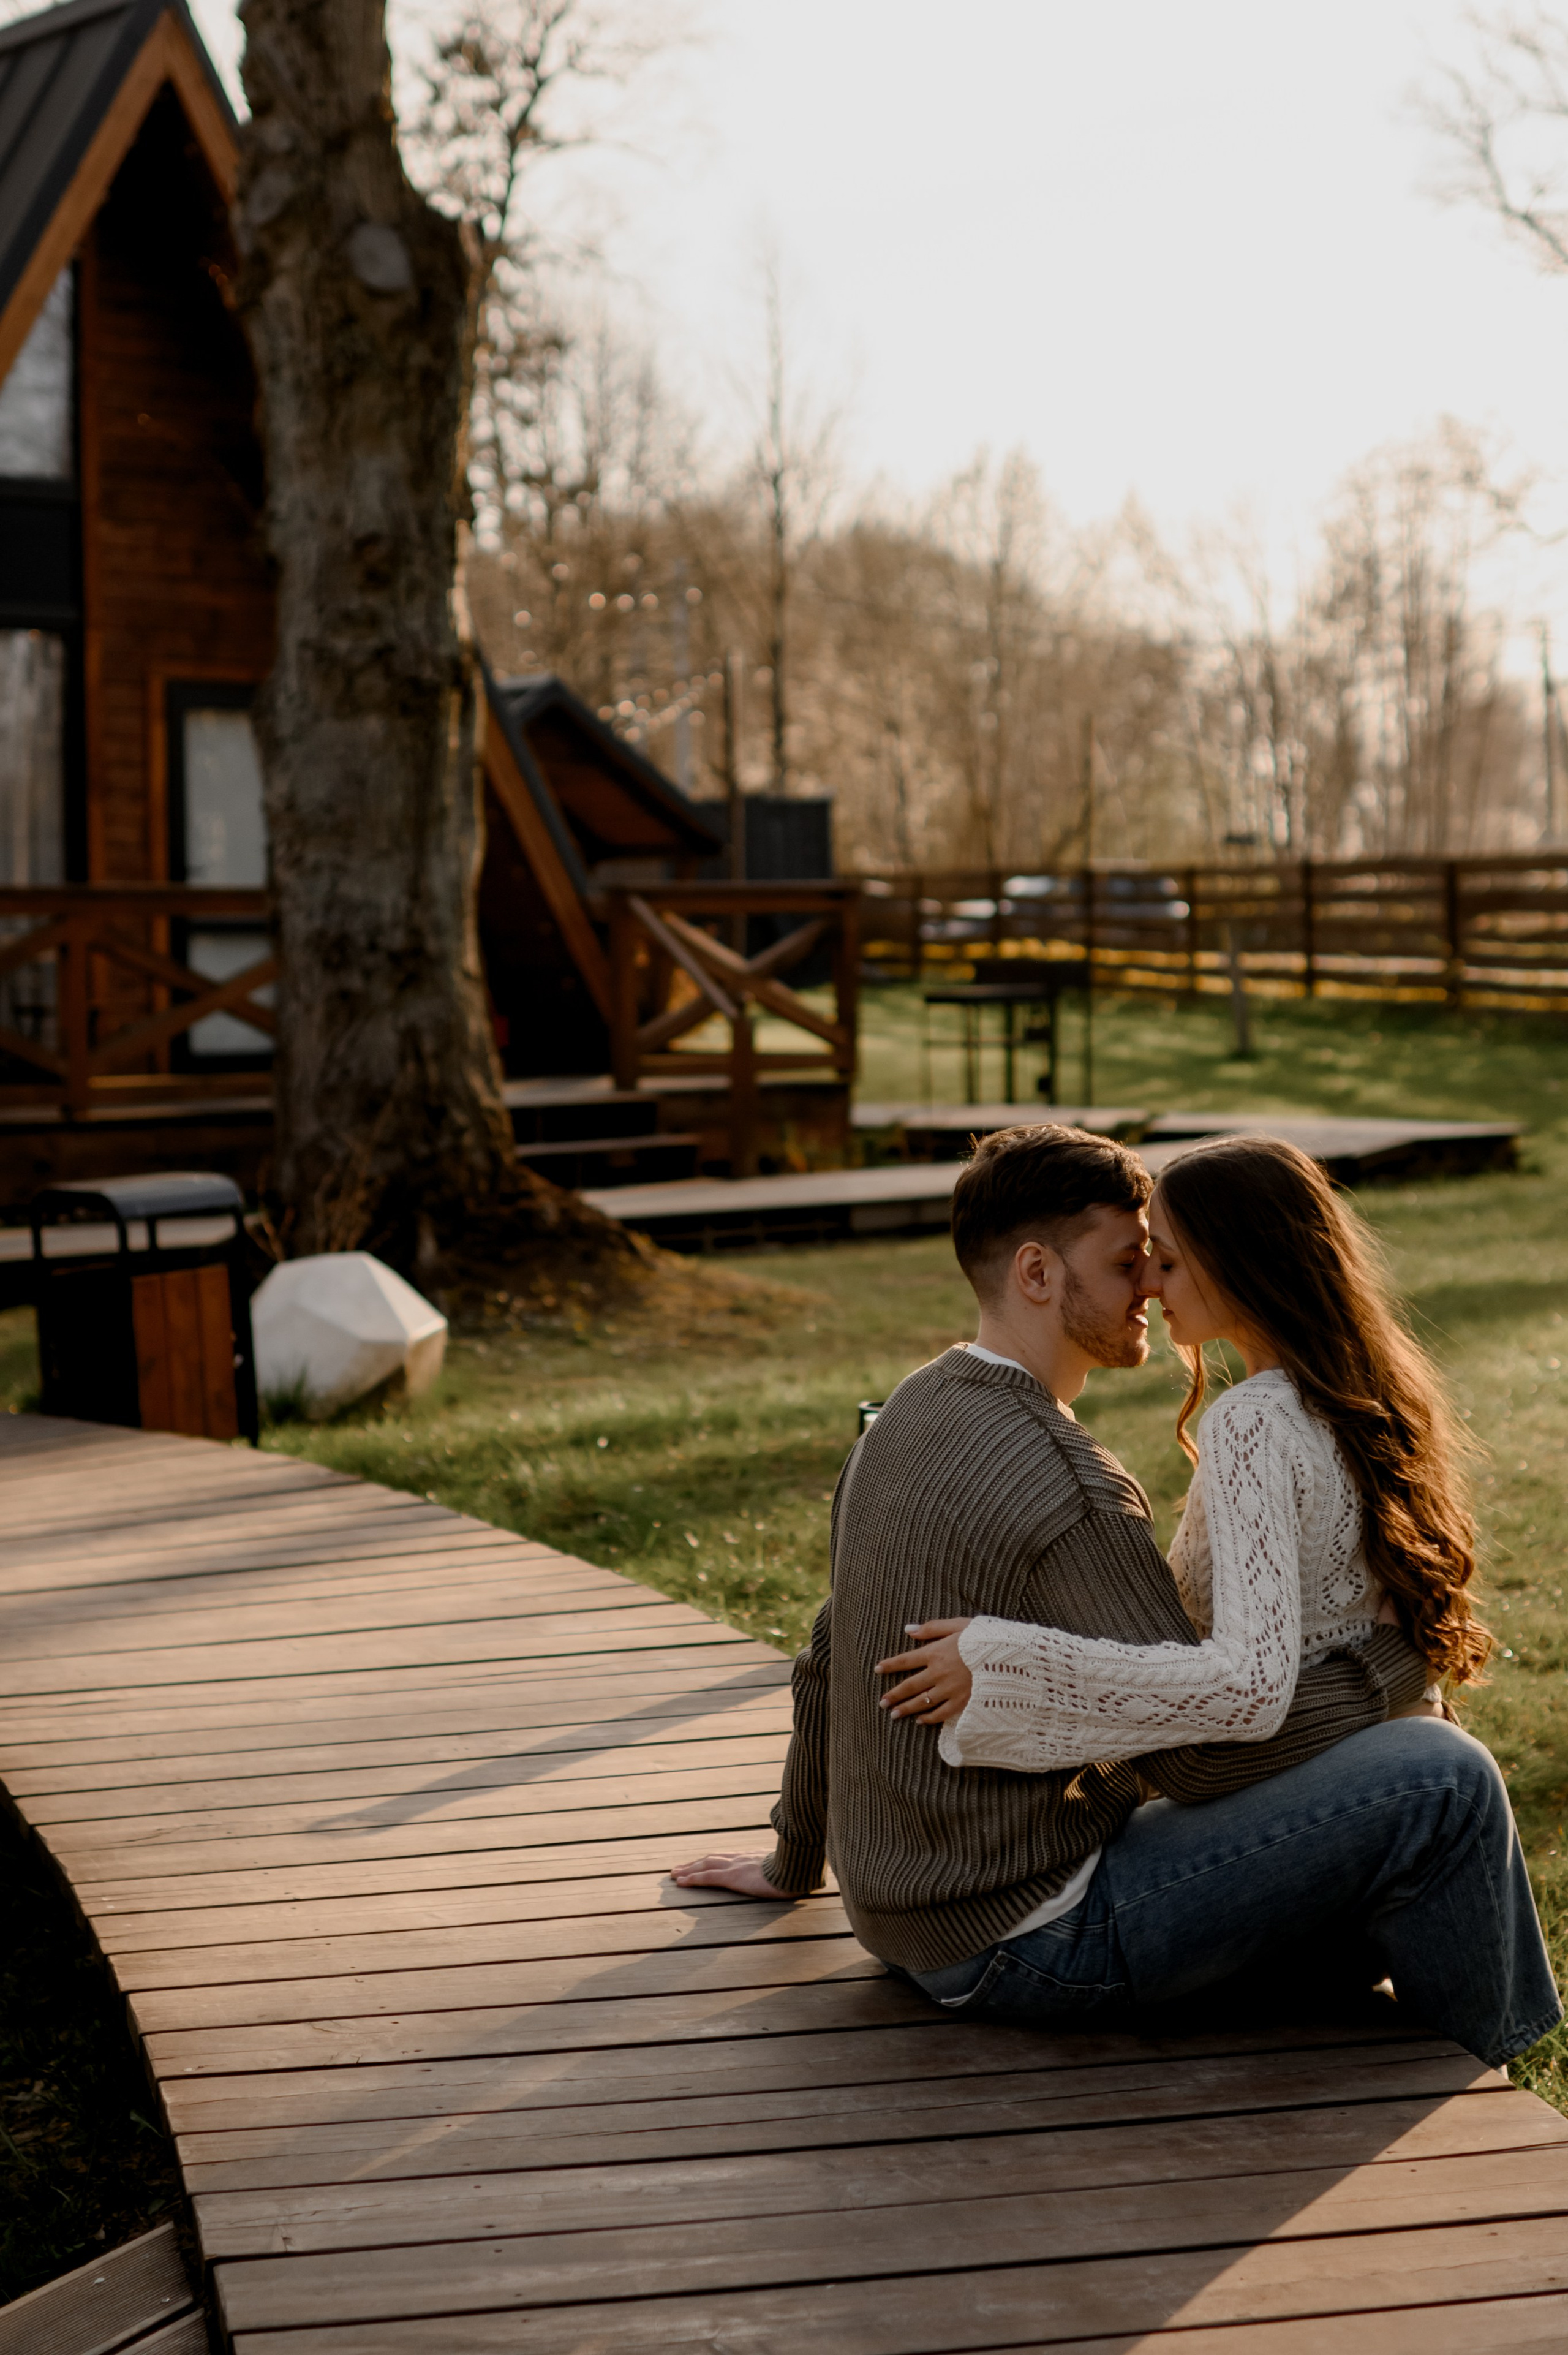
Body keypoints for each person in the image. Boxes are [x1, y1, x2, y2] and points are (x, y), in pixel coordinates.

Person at [672, 1124, 1559, 2069]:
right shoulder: (1069, 1481)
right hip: (1034, 1938)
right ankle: (1487, 2076)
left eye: (1157, 1260)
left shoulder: (909, 1413)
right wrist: (1393, 1662)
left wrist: (794, 1857)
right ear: (1038, 1274)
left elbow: (829, 1642)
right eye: (1128, 1260)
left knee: (1385, 1838)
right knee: (1443, 1777)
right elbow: (1204, 1765)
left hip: (903, 1921)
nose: (1148, 1284)